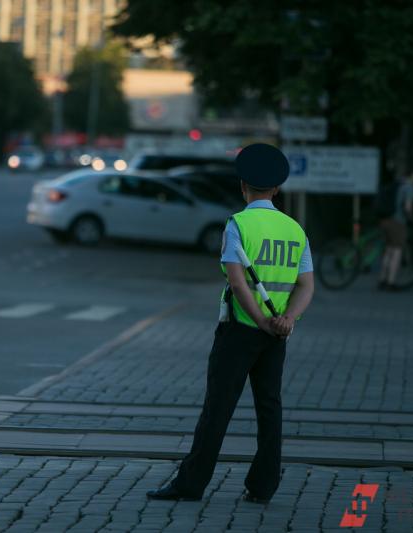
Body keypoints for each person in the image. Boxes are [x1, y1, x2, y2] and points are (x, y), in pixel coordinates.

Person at [146, 144, 315, 504]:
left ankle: (190, 484)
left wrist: (260, 321)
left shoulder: (237, 224)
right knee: (270, 408)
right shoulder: (295, 230)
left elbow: (238, 285)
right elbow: (307, 285)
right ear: (277, 189)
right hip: (277, 335)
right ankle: (263, 485)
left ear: (243, 186)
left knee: (218, 408)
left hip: (240, 331)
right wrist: (287, 319)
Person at [377, 170, 413, 291]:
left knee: (389, 250)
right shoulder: (409, 187)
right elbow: (407, 207)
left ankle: (382, 279)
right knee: (397, 251)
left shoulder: (395, 184)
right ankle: (391, 282)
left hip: (385, 219)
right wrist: (412, 219)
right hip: (398, 222)